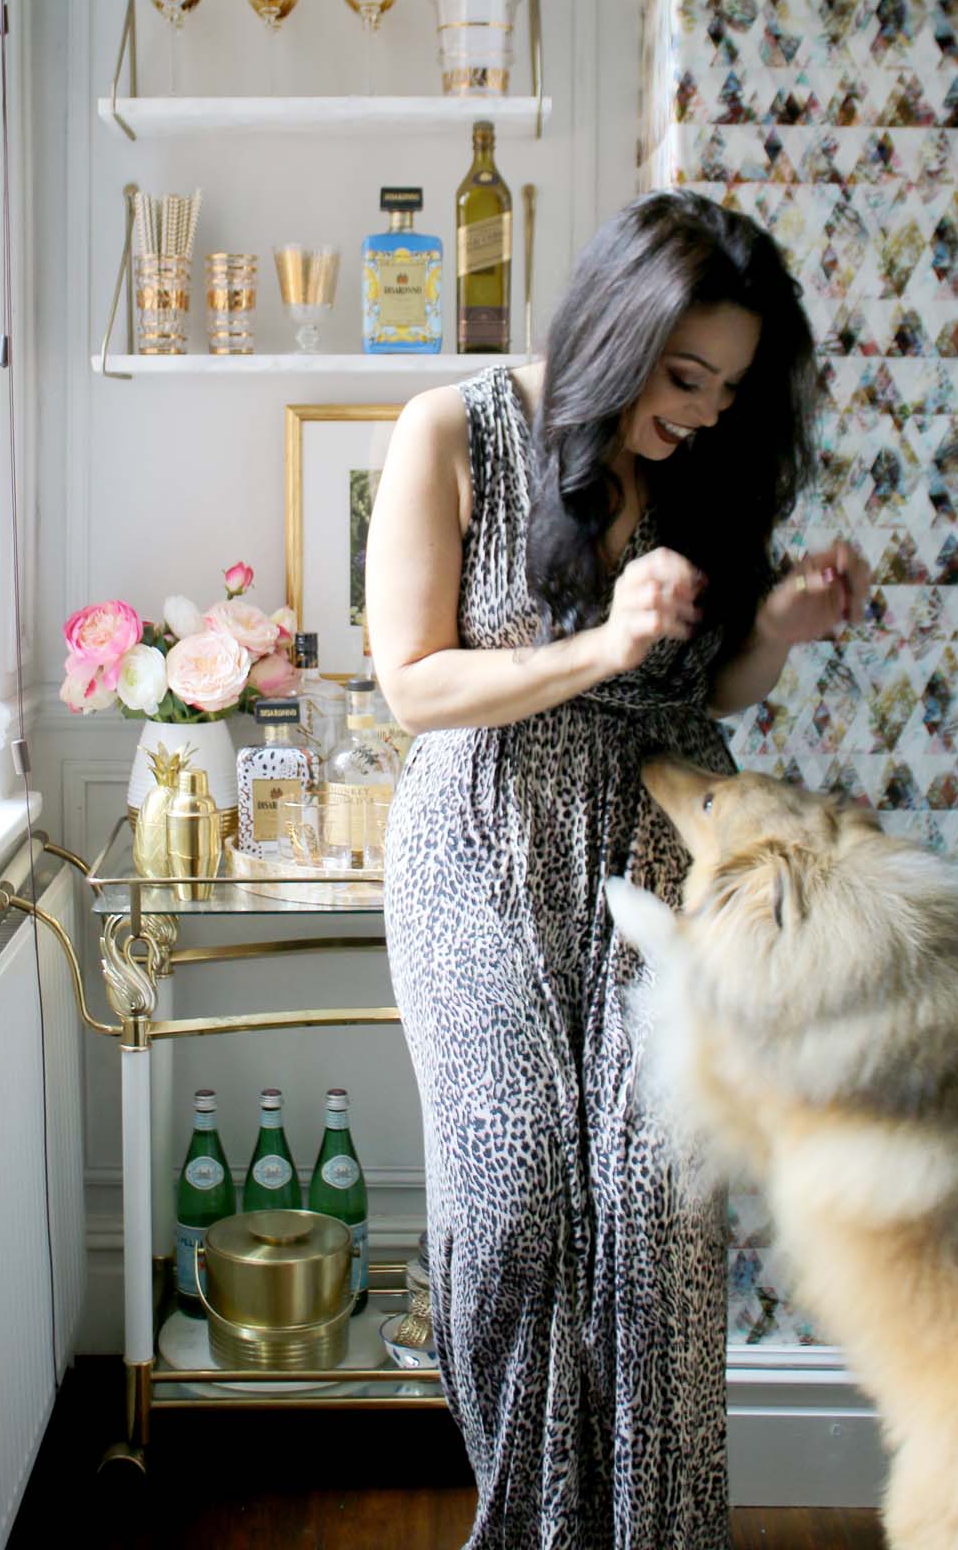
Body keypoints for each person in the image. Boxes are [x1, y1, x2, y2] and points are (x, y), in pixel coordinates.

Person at [365, 190, 872, 1550]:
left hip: (657, 844)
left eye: (730, 386)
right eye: (682, 373)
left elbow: (713, 688)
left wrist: (775, 627)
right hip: (481, 845)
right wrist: (596, 647)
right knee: (515, 1200)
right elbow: (411, 687)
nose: (704, 410)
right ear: (611, 330)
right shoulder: (452, 432)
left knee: (660, 1210)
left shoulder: (707, 472)